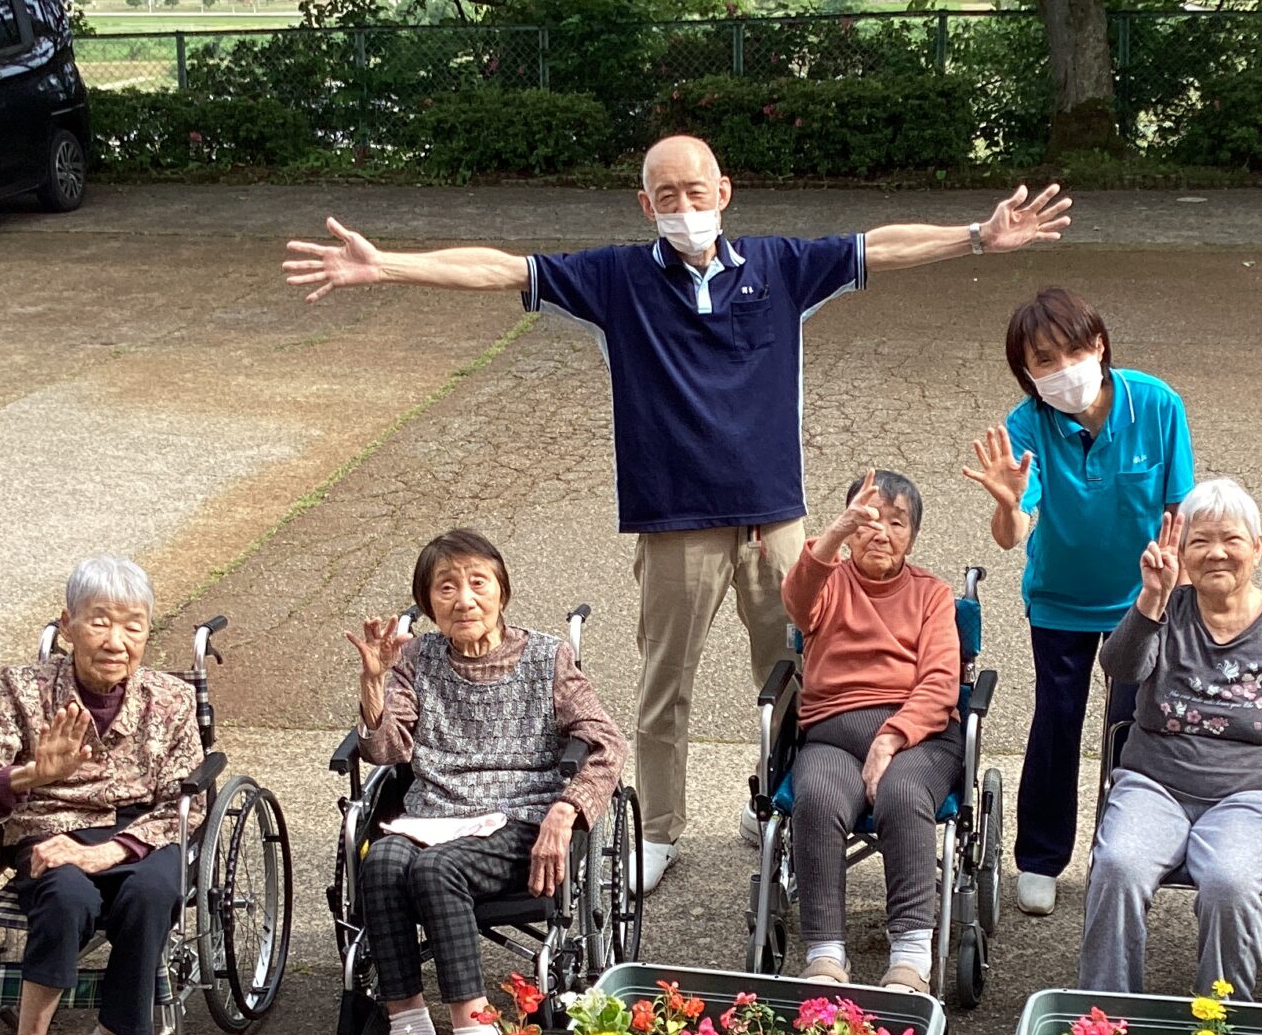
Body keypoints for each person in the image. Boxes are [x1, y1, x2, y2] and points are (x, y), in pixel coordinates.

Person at [283, 135, 1070, 894]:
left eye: (696, 191)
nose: (684, 206)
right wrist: (386, 264)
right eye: (666, 195)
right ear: (645, 204)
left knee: (795, 675)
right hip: (674, 523)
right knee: (665, 686)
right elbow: (501, 268)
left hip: (774, 522)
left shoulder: (780, 268)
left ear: (723, 192)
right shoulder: (614, 280)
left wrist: (978, 235)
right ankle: (659, 829)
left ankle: (772, 800)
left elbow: (879, 246)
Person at [335, 529, 625, 1035]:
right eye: (446, 587)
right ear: (428, 604)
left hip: (520, 819)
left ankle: (473, 1028)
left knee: (434, 869)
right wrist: (374, 681)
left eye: (477, 583)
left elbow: (607, 742)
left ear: (501, 592)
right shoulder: (417, 659)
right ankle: (408, 1028)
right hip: (436, 814)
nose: (464, 599)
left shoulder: (546, 658)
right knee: (382, 861)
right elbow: (388, 750)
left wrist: (567, 810)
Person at [960, 287, 1194, 918]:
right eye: (1043, 360)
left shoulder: (1157, 404)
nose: (1062, 368)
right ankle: (1040, 858)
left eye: (1072, 350)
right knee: (1057, 720)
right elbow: (1014, 532)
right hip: (1060, 598)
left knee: (1132, 725)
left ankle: (1124, 853)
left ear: (1099, 345)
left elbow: (1180, 507)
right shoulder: (1026, 426)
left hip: (1140, 599)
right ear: (1026, 372)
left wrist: (1172, 590)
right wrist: (1008, 503)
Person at [0, 557, 204, 1035]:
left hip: (140, 834)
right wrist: (30, 775)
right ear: (68, 625)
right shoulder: (21, 689)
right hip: (50, 829)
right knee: (67, 897)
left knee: (154, 892)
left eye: (133, 626)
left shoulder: (171, 699)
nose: (116, 641)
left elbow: (189, 802)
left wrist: (111, 850)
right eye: (99, 621)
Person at [1079, 479, 1262, 997]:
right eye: (1200, 541)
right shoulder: (1166, 608)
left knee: (1229, 883)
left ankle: (1220, 1022)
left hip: (1251, 798)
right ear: (1182, 552)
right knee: (1119, 865)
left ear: (1256, 547)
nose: (1216, 552)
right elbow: (1120, 669)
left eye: (1231, 539)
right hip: (1154, 785)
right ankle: (1105, 1017)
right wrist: (1151, 599)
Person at [780, 471, 963, 992]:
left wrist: (891, 737)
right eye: (867, 520)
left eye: (896, 523)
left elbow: (941, 682)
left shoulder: (932, 594)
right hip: (832, 736)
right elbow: (796, 599)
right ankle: (824, 952)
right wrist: (835, 533)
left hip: (920, 736)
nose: (881, 532)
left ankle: (910, 955)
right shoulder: (828, 584)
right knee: (817, 798)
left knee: (903, 794)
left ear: (913, 537)